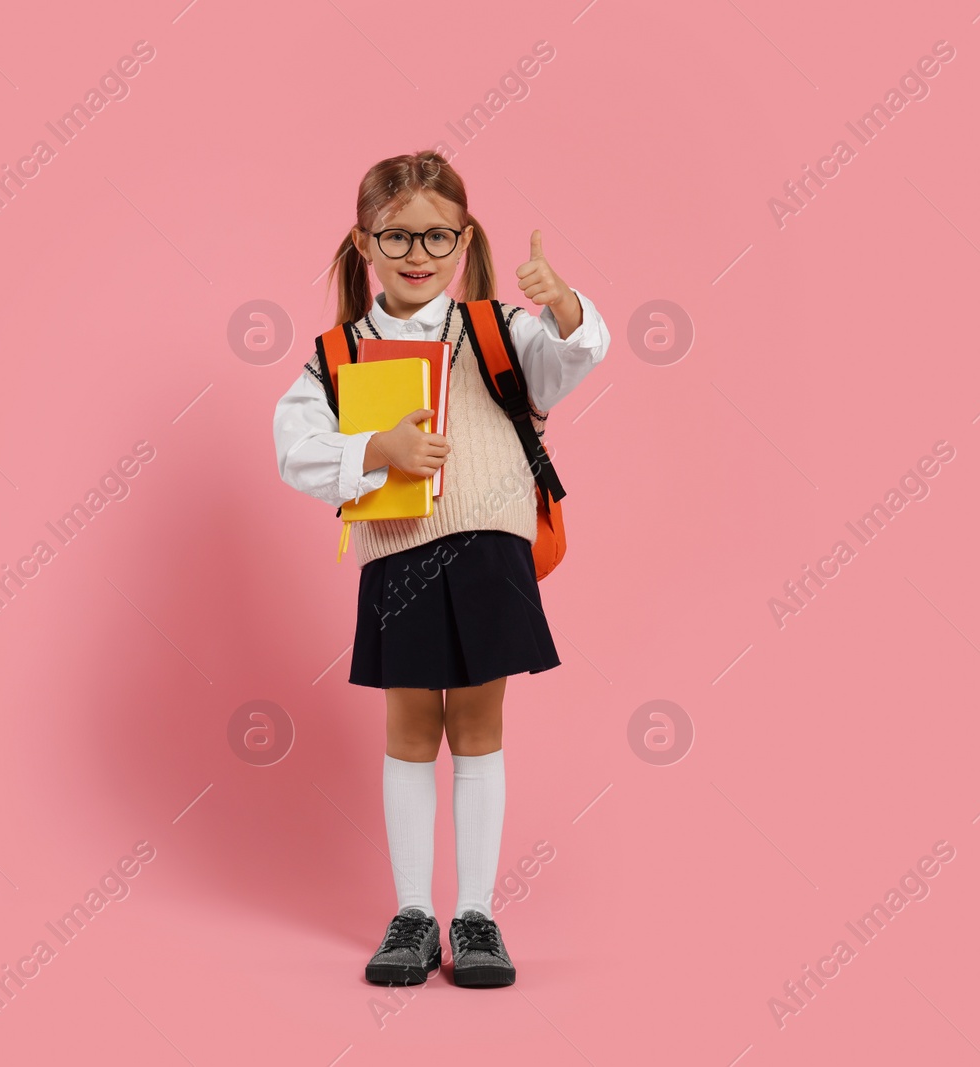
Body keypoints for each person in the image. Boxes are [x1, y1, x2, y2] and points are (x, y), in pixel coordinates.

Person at [272, 150, 609, 987]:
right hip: (401, 559)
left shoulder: (498, 330)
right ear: (363, 242)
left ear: (464, 239)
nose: (418, 252)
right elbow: (293, 446)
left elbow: (569, 360)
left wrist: (565, 307)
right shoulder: (340, 352)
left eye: (437, 236)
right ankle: (414, 913)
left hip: (490, 554)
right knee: (412, 733)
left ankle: (477, 915)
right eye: (397, 235)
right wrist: (373, 450)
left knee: (480, 730)